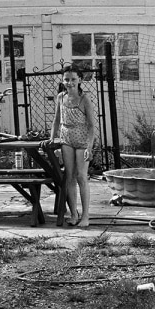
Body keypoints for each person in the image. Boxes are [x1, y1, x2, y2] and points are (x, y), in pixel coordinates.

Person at [50, 65, 95, 227]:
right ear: (63, 81)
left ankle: (86, 216)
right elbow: (56, 120)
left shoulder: (84, 99)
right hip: (66, 138)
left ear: (80, 80)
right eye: (66, 79)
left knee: (81, 177)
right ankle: (74, 213)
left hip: (82, 140)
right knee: (69, 176)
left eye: (73, 79)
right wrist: (52, 139)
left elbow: (91, 125)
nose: (69, 83)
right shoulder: (61, 97)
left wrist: (89, 148)